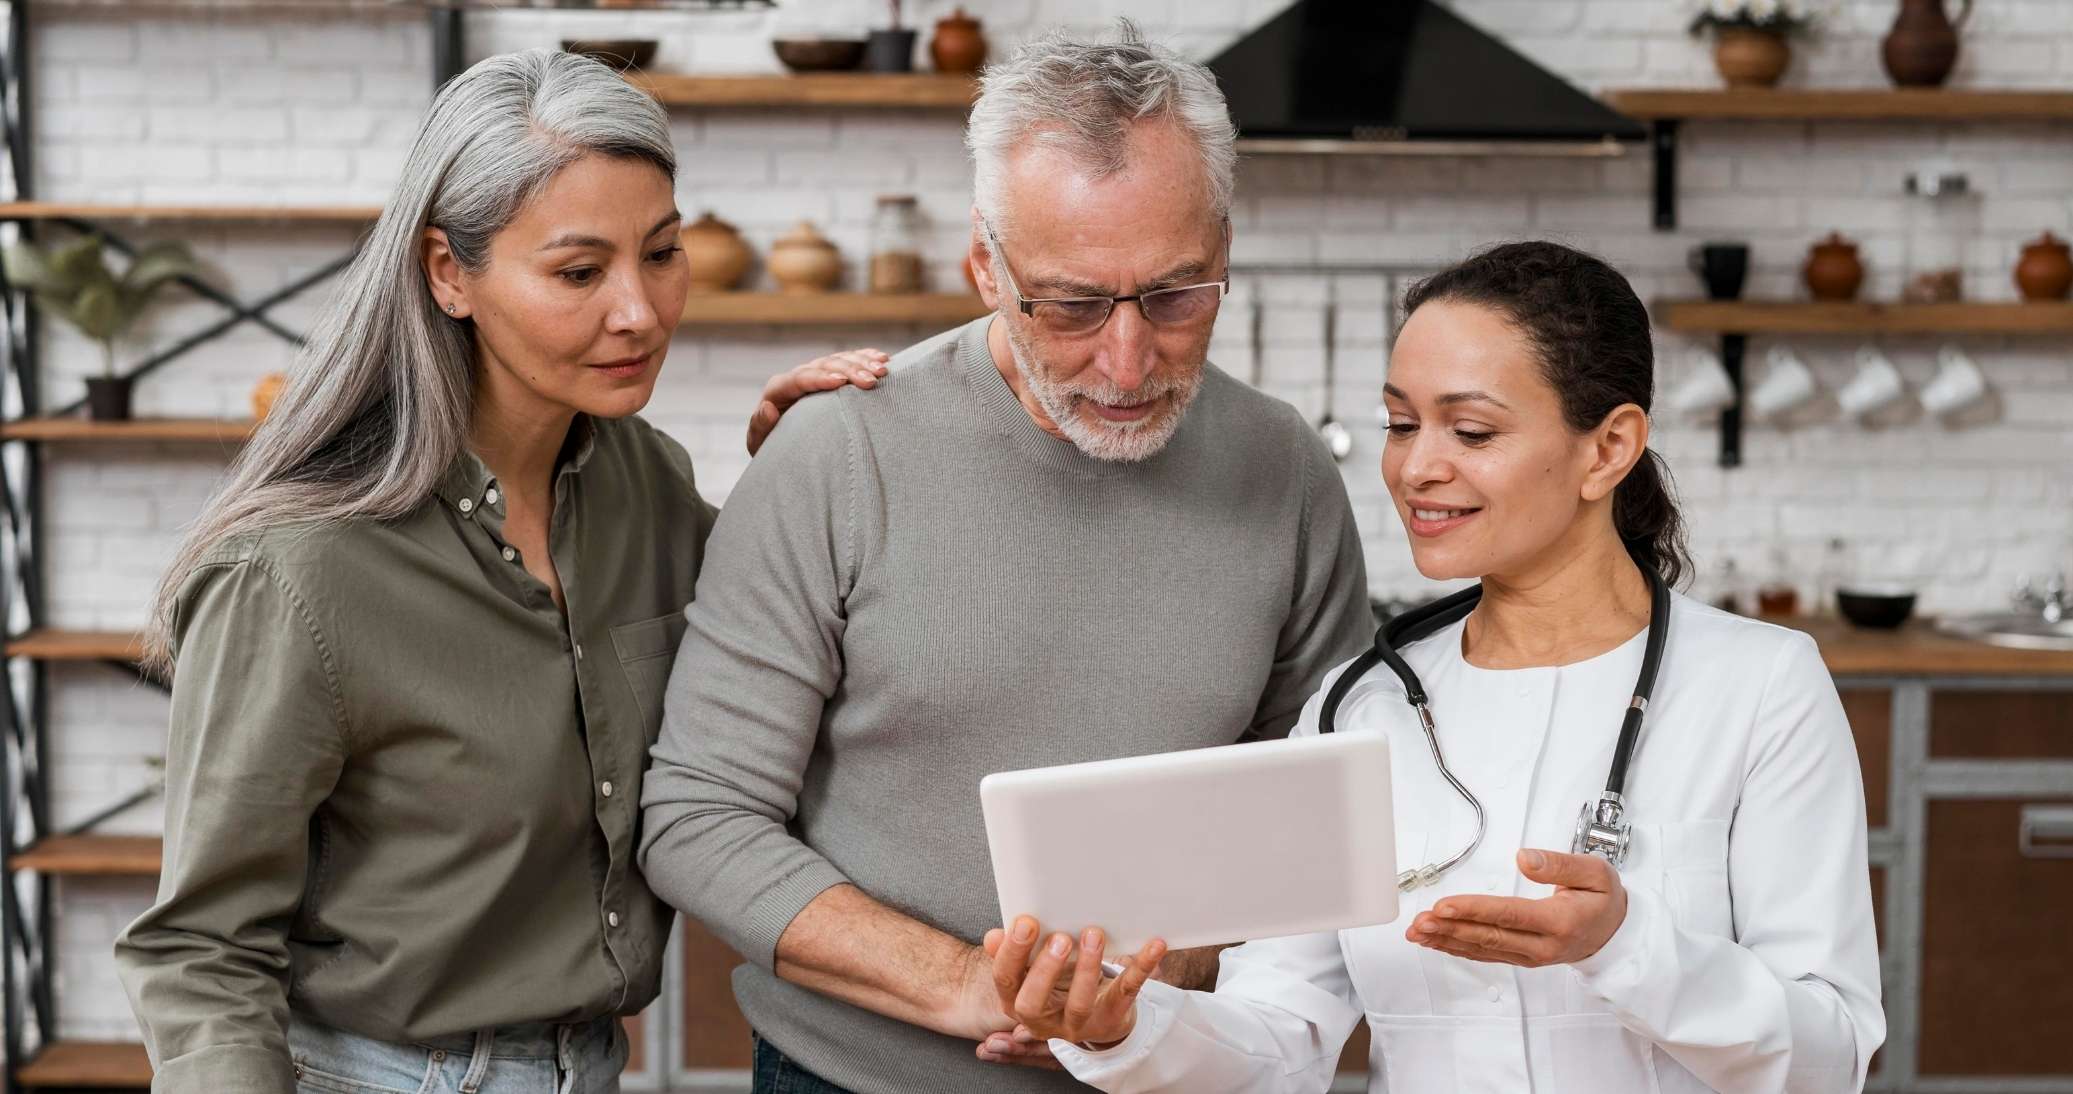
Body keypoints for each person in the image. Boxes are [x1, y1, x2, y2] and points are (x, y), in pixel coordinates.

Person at [115, 50, 885, 1094]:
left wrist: (797, 476)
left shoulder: (646, 487)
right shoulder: (296, 572)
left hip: (589, 1067)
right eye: (579, 272)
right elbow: (200, 949)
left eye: (662, 252)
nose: (640, 310)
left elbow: (786, 662)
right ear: (448, 272)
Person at [636, 22, 1374, 1094]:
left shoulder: (1287, 469)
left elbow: (1313, 818)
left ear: (1223, 249)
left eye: (1176, 296)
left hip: (1174, 1074)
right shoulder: (836, 453)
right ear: (985, 264)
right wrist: (967, 984)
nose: (1128, 359)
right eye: (1070, 304)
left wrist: (1164, 981)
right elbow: (698, 816)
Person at [985, 241, 1886, 1093]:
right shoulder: (1358, 709)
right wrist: (1123, 1028)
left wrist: (1625, 945)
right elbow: (1280, 1041)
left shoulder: (1759, 687)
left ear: (1608, 448)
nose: (1416, 467)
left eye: (1472, 431)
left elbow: (1831, 1057)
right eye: (1401, 424)